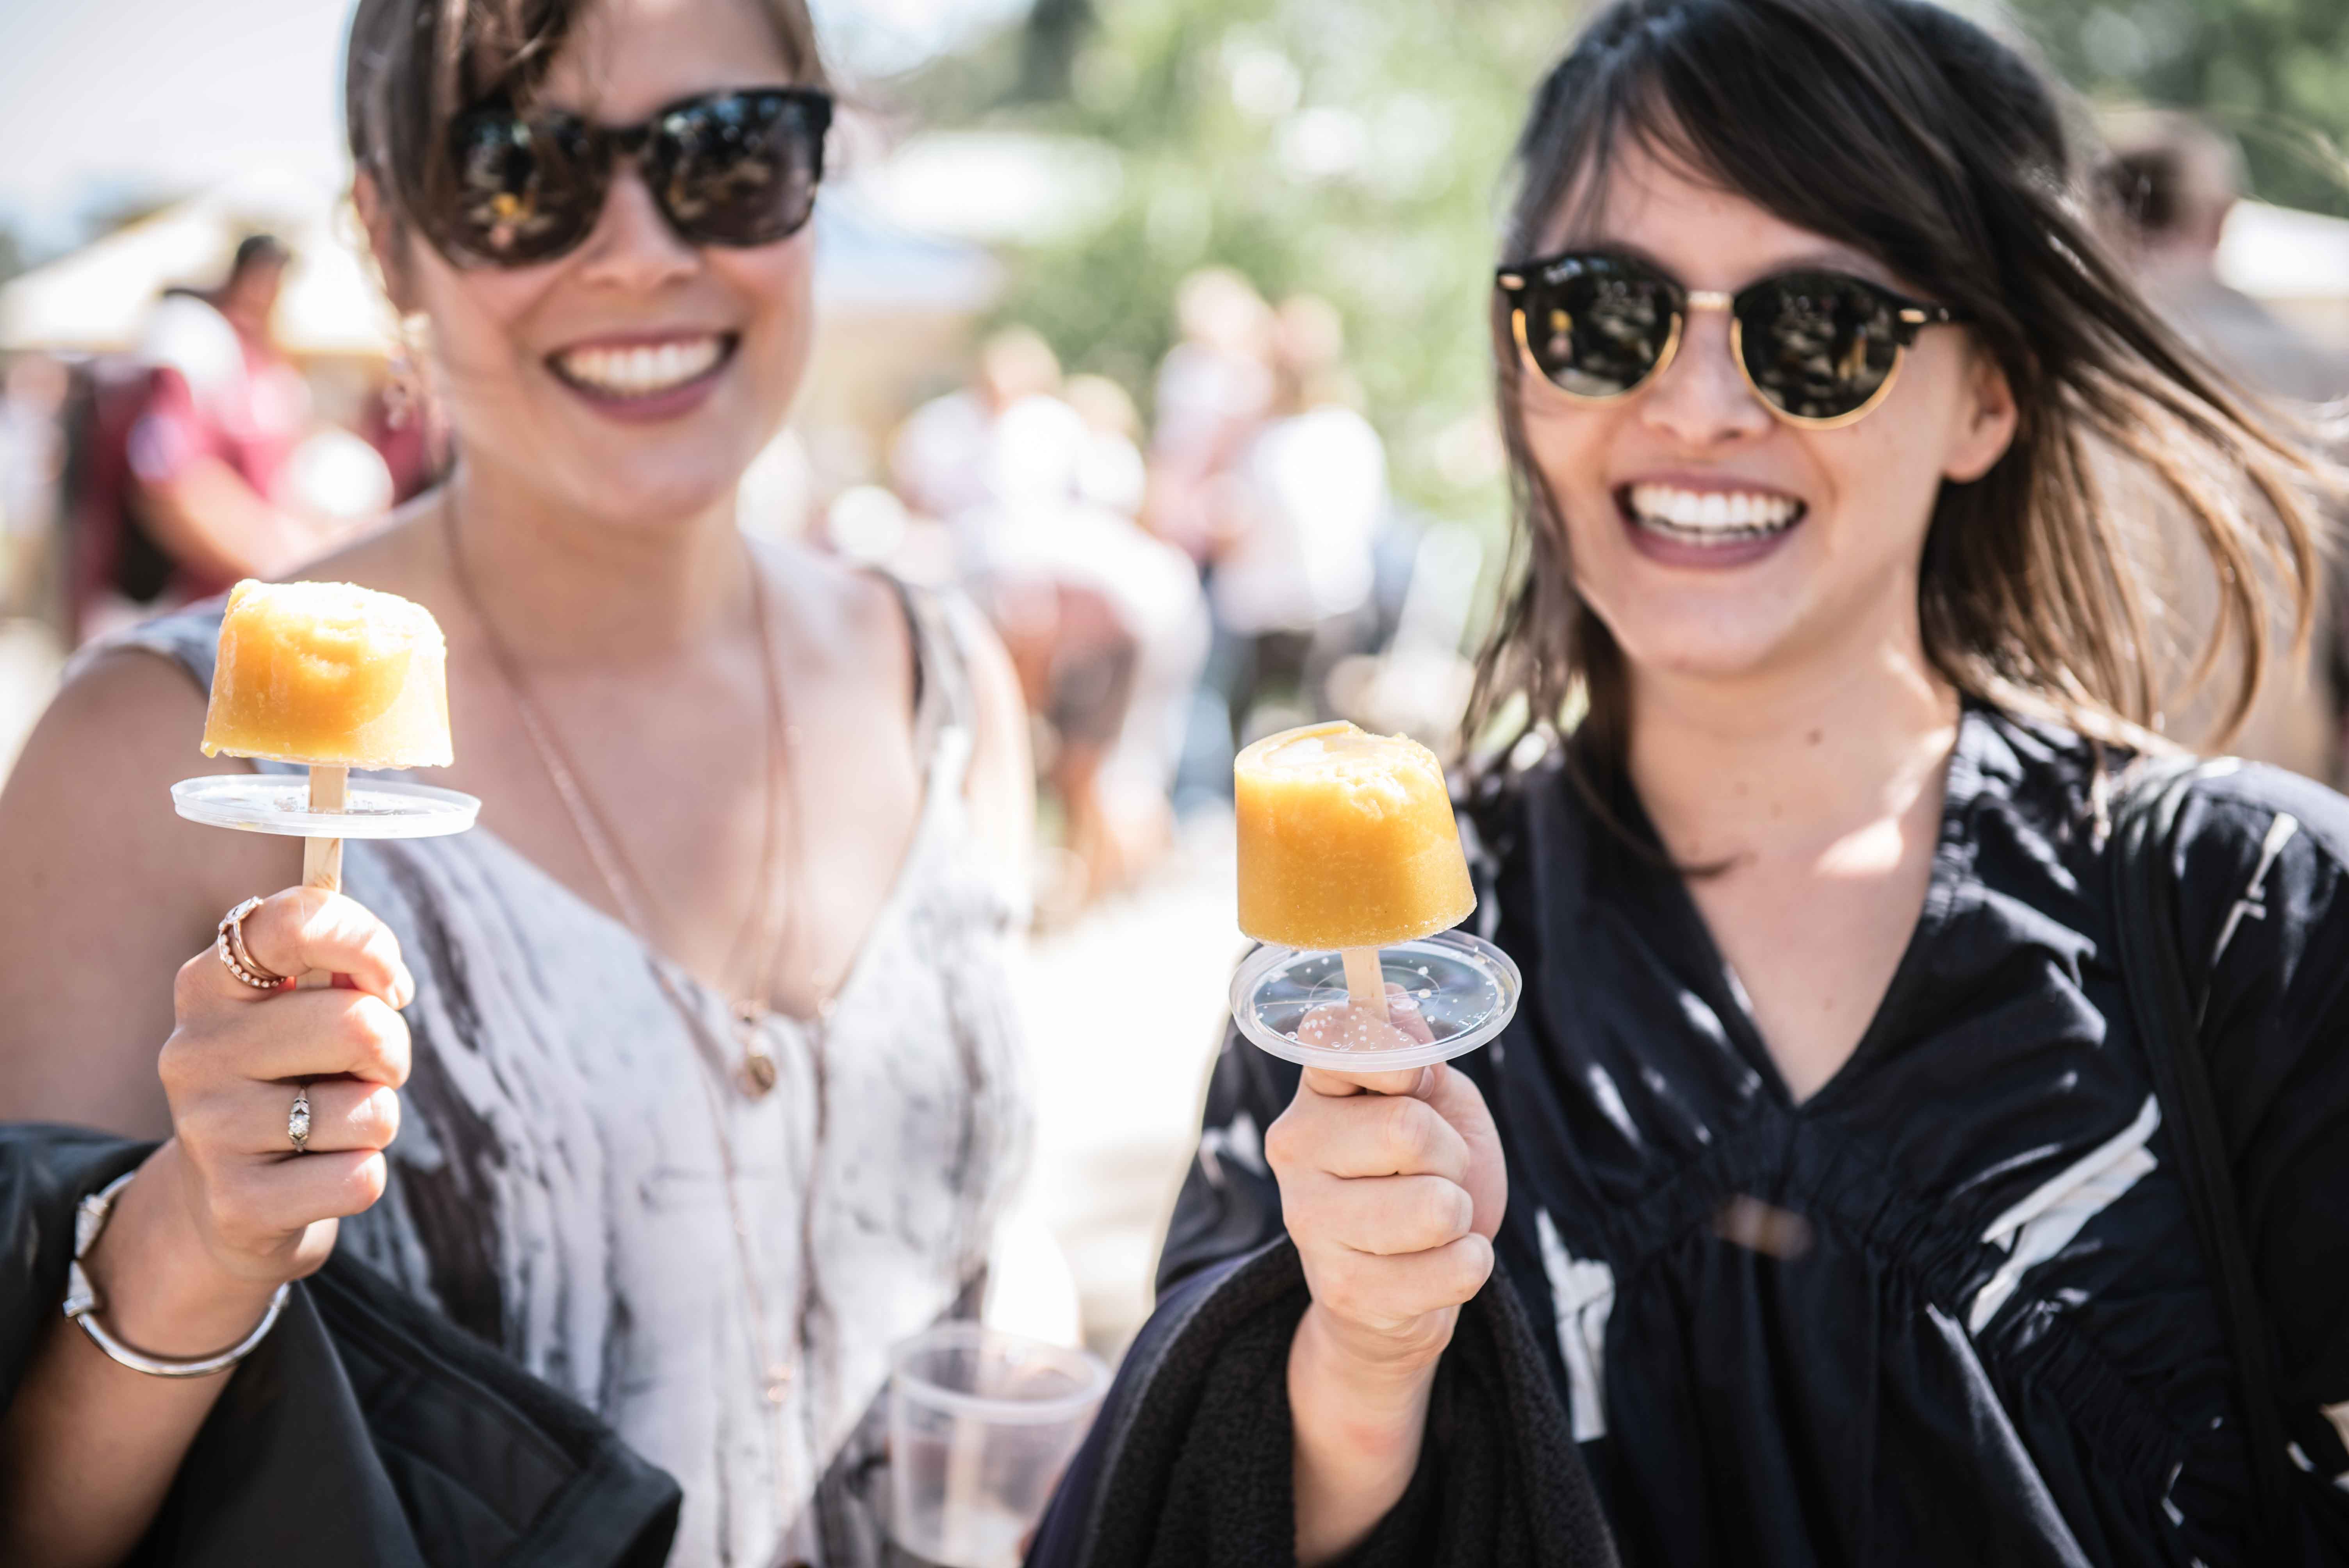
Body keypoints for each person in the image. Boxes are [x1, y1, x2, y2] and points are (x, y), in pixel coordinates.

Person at [1032, 1, 2349, 1564]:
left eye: (1819, 328)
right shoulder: (1378, 985)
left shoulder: (2247, 917)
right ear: (1523, 371)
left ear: (1988, 393)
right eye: (1603, 311)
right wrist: (1357, 1364)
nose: (1702, 404)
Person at [0, 0, 1032, 1564]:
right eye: (515, 170)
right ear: (385, 239)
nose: (635, 253)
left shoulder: (945, 678)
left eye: (729, 155)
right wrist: (187, 1245)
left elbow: (992, 1263)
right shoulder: (158, 748)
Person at [2105, 110, 2349, 784]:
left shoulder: (2046, 374)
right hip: (2279, 784)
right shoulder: (2319, 375)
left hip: (2093, 788)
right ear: (2219, 219)